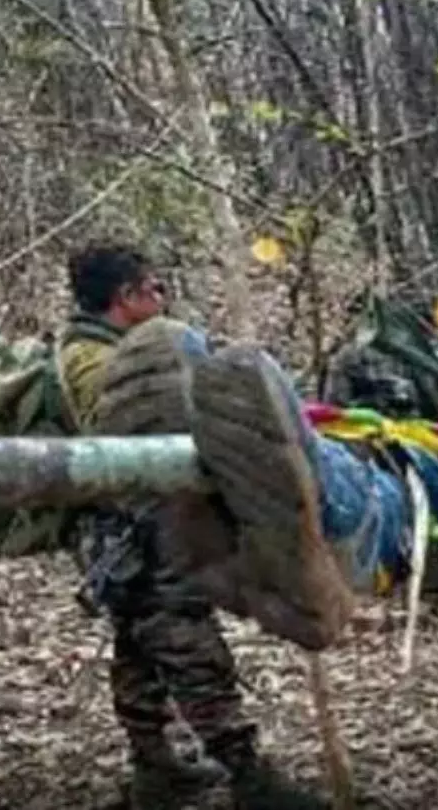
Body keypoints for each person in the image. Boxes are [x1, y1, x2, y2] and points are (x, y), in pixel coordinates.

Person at [57, 244, 322, 810]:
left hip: (144, 521)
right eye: (153, 289)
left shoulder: (104, 350)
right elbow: (139, 424)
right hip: (144, 526)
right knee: (184, 638)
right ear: (125, 297)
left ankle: (155, 769)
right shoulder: (92, 360)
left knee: (140, 645)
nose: (161, 299)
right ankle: (245, 772)